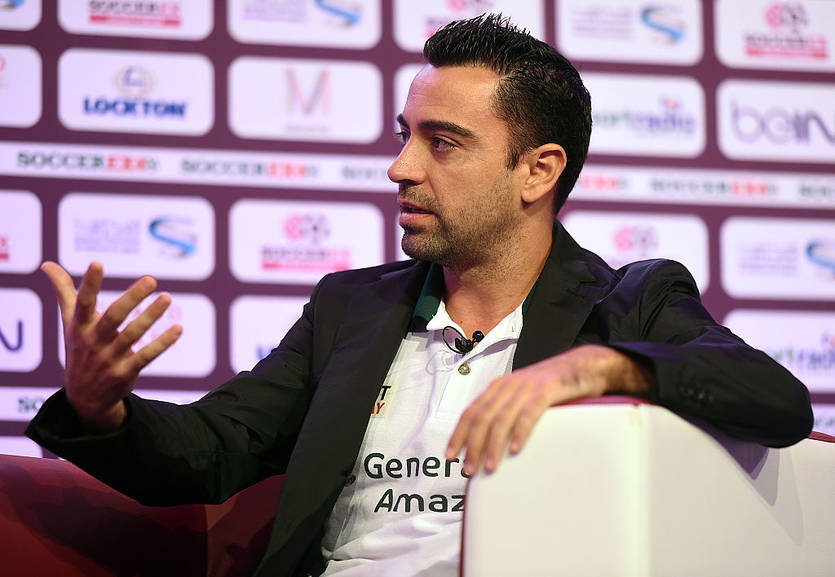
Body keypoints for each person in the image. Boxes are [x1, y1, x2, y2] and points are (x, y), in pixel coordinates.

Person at [27, 14, 812, 577]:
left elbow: (777, 401)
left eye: (441, 143)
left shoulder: (628, 303)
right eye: (404, 135)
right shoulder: (349, 308)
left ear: (536, 171)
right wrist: (102, 410)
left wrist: (603, 368)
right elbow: (215, 448)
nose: (400, 167)